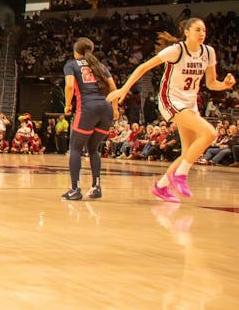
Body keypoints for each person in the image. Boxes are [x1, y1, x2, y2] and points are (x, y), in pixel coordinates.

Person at [108, 18, 236, 202]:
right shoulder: (176, 50)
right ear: (186, 32)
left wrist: (224, 84)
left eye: (204, 30)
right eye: (198, 30)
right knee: (210, 133)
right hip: (171, 100)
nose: (202, 34)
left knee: (188, 153)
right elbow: (143, 67)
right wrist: (124, 89)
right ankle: (180, 175)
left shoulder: (208, 52)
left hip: (190, 103)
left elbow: (211, 83)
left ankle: (160, 187)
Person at [60, 38, 117, 201]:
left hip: (87, 108)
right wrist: (115, 108)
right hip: (106, 109)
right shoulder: (101, 66)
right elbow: (113, 88)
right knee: (93, 149)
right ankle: (96, 186)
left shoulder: (71, 65)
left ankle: (75, 189)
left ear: (75, 51)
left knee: (76, 148)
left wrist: (67, 105)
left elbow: (70, 86)